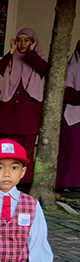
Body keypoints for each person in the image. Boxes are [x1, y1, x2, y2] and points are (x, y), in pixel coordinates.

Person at [0, 28, 48, 184]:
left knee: (26, 147)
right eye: (19, 40)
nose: (22, 44)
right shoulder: (11, 59)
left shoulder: (38, 58)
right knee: (3, 145)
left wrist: (31, 53)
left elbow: (43, 69)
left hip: (27, 112)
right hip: (7, 111)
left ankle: (24, 180)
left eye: (26, 40)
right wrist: (11, 52)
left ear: (33, 42)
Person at [57, 39, 80, 189]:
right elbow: (69, 94)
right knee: (72, 149)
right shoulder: (72, 68)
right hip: (73, 115)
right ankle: (69, 182)